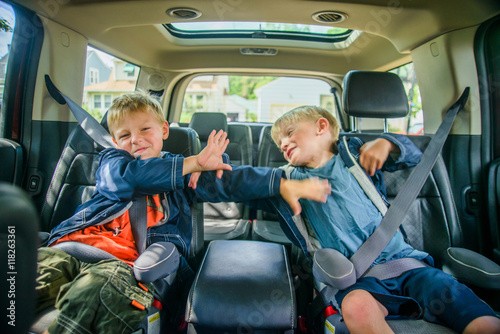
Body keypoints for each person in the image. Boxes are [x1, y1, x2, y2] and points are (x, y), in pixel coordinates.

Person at [36, 93, 331, 334]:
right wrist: (191, 163)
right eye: (124, 135)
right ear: (114, 141)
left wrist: (281, 183)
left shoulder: (187, 172)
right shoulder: (112, 162)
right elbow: (127, 179)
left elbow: (230, 179)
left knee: (96, 292)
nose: (135, 140)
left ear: (164, 130)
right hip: (69, 247)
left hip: (123, 264)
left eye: (145, 130)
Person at [268, 105, 500, 334]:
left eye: (289, 133)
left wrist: (387, 142)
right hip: (356, 279)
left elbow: (415, 155)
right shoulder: (289, 180)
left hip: (409, 266)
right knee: (357, 306)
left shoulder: (355, 155)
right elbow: (250, 186)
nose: (284, 144)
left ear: (321, 127)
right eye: (280, 145)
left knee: (474, 314)